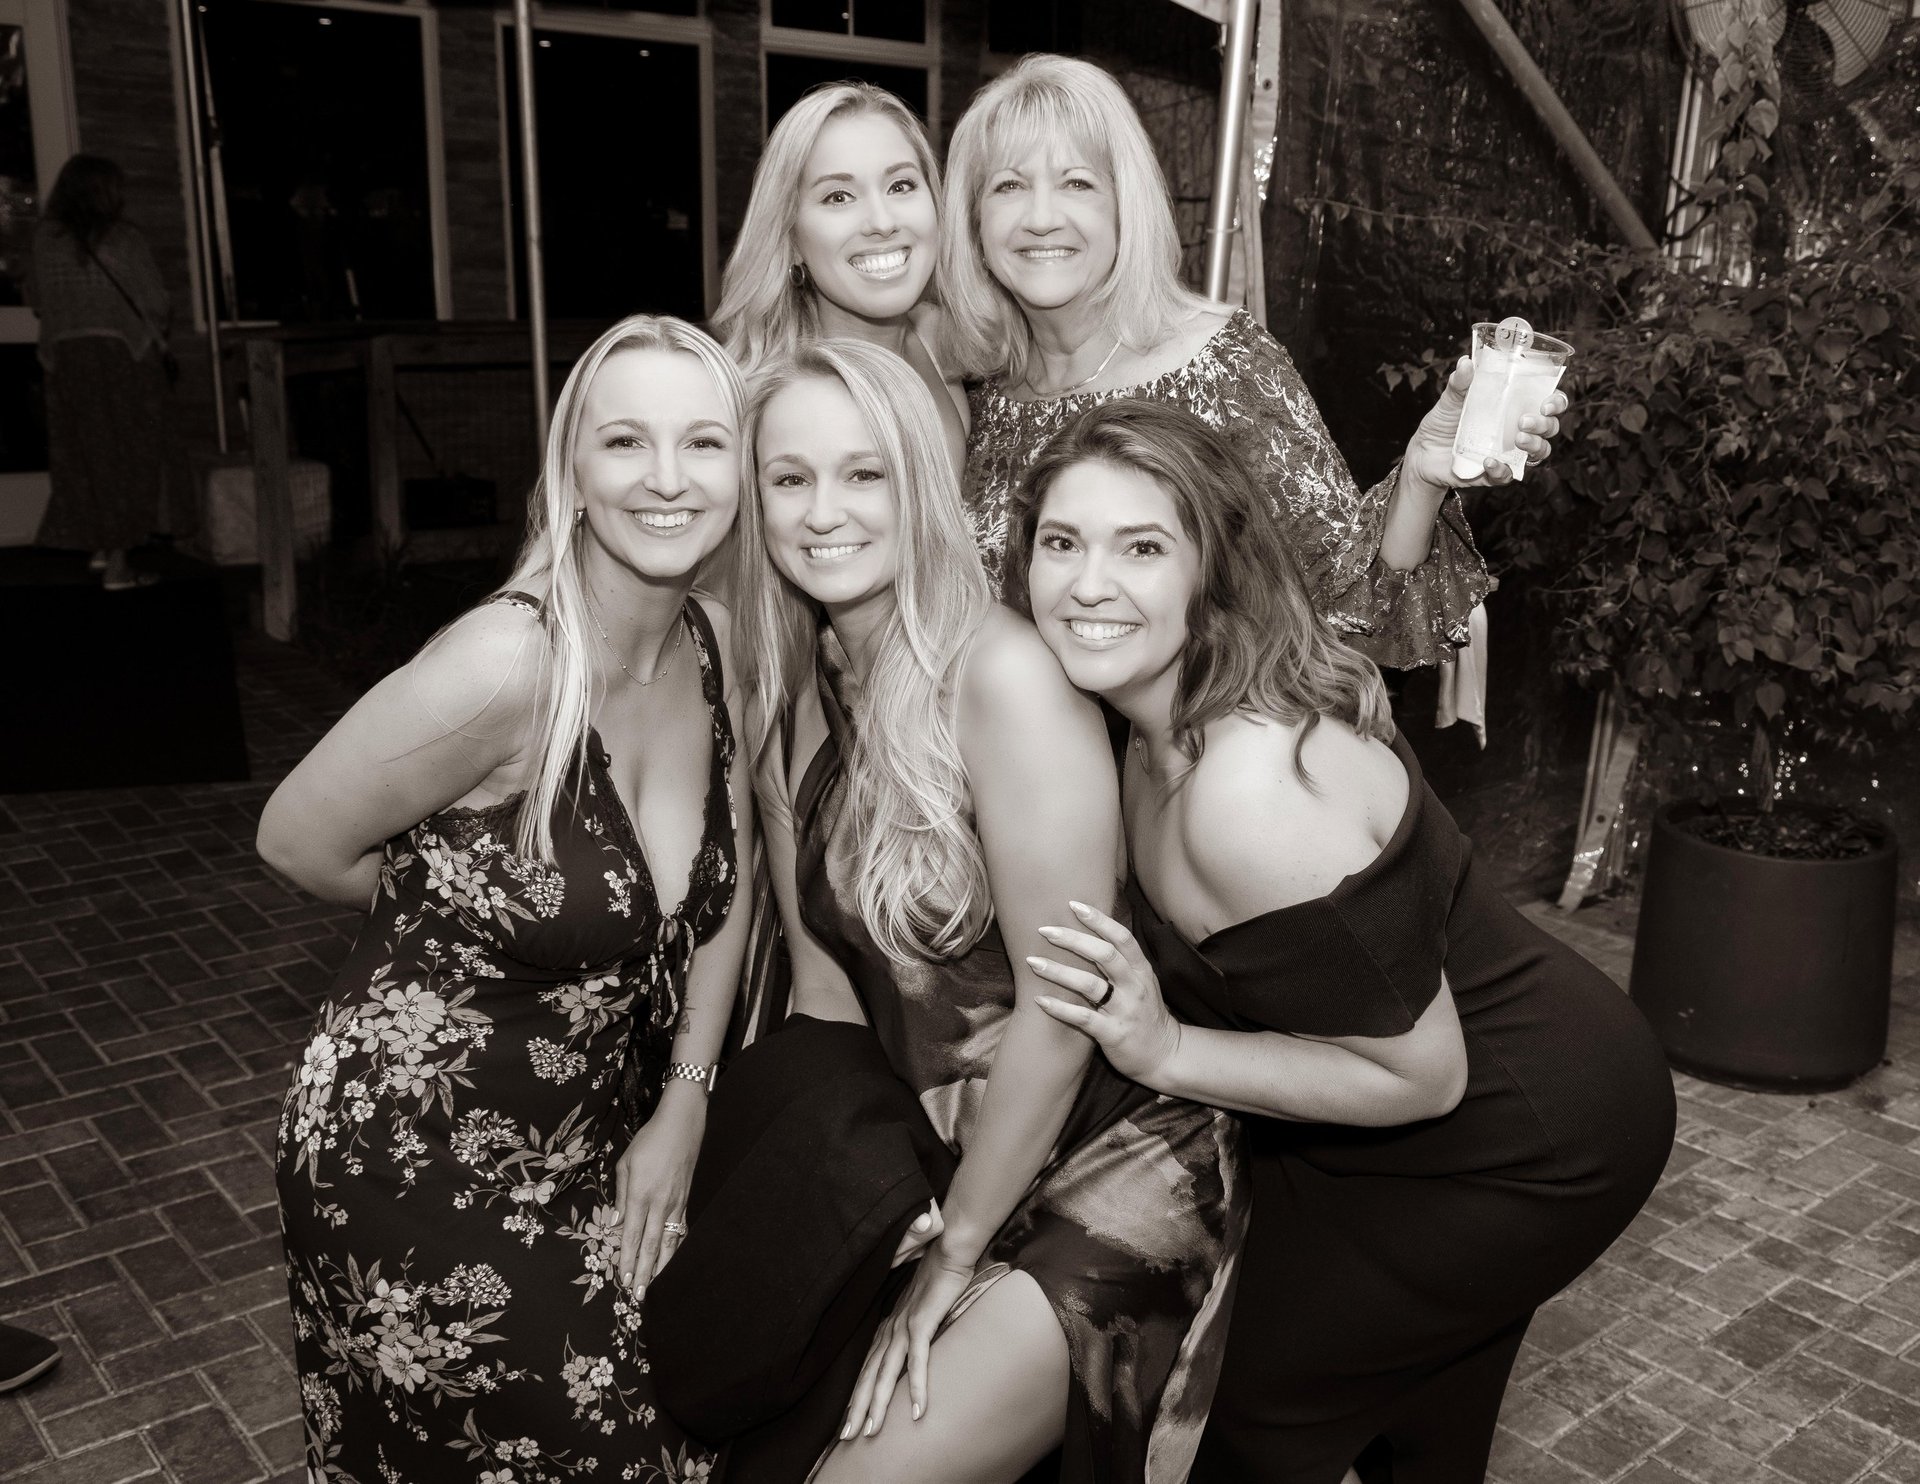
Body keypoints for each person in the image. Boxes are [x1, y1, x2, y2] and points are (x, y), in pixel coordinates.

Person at [1012, 400, 1676, 1484]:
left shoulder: (1250, 795)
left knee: (1250, 1418)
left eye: (1142, 547)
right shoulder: (1157, 714)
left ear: (1211, 569)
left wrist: (1165, 1047)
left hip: (1529, 1128)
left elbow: (1423, 1076)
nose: (1089, 583)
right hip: (1373, 1116)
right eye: (1061, 542)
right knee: (1425, 1419)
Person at [735, 339, 1244, 1483]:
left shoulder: (1001, 674)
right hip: (943, 1164)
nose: (824, 511)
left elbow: (1064, 1007)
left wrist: (953, 1252)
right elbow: (827, 994)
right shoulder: (797, 682)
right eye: (790, 476)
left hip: (1111, 1163)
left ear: (920, 484)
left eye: (864, 473)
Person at [260, 315, 754, 1484]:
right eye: (626, 440)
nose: (668, 477)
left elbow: (727, 892)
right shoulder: (508, 665)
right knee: (611, 1453)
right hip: (408, 1155)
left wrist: (686, 1098)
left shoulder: (716, 644)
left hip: (591, 1138)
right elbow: (296, 839)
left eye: (704, 441)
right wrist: (455, 919)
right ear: (570, 471)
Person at [944, 54, 1566, 671]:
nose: (1041, 218)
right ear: (973, 222)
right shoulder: (975, 396)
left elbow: (1350, 612)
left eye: (1077, 183)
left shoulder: (1220, 366)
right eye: (1008, 186)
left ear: (1124, 205)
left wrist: (1420, 481)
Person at [712, 81, 966, 468]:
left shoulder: (942, 343)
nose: (882, 222)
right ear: (790, 237)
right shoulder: (764, 401)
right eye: (838, 197)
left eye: (900, 185)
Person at [26, 154, 177, 590]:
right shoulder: (124, 238)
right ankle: (119, 564)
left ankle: (99, 547)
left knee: (82, 457)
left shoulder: (44, 240)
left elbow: (36, 299)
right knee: (127, 457)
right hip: (120, 358)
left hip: (66, 360)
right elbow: (156, 300)